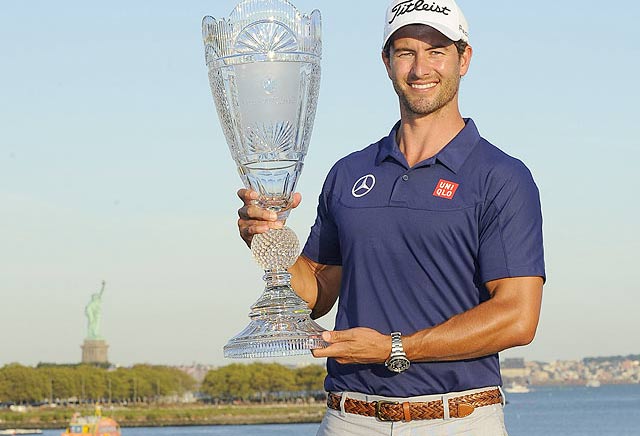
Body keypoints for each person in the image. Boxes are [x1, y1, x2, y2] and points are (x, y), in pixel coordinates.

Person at [237, 0, 545, 434]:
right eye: (406, 52)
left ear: (464, 58)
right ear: (387, 62)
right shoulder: (349, 172)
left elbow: (517, 318)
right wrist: (270, 241)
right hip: (348, 417)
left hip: (454, 419)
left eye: (437, 50)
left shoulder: (501, 177)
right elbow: (317, 293)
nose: (421, 69)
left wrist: (393, 348)